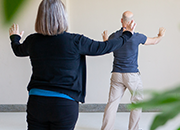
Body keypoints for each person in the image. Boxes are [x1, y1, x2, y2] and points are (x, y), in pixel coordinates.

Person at [9, 0, 136, 130]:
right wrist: (126, 35)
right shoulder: (75, 41)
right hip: (64, 105)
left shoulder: (32, 40)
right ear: (63, 17)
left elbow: (18, 50)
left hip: (36, 103)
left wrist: (14, 38)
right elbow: (104, 47)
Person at [101, 11, 166, 130]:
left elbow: (107, 47)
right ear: (132, 22)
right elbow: (154, 41)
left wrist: (105, 39)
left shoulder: (114, 36)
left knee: (112, 103)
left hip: (116, 74)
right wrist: (160, 35)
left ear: (121, 20)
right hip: (132, 75)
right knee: (137, 102)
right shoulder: (137, 36)